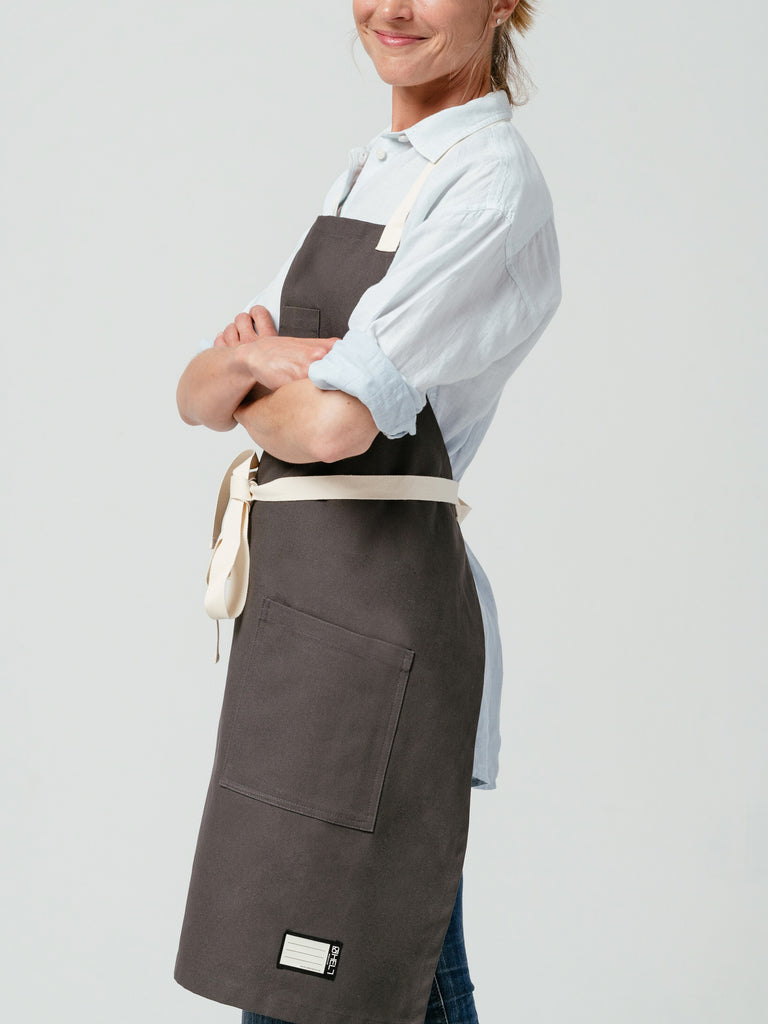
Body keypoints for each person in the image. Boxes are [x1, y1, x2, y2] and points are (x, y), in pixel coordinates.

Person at [173, 2, 561, 1023]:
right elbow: (195, 390)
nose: (391, 8)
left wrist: (264, 381)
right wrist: (259, 367)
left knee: (356, 982)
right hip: (301, 631)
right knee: (305, 975)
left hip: (385, 641)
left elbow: (338, 425)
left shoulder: (490, 182)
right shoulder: (369, 170)